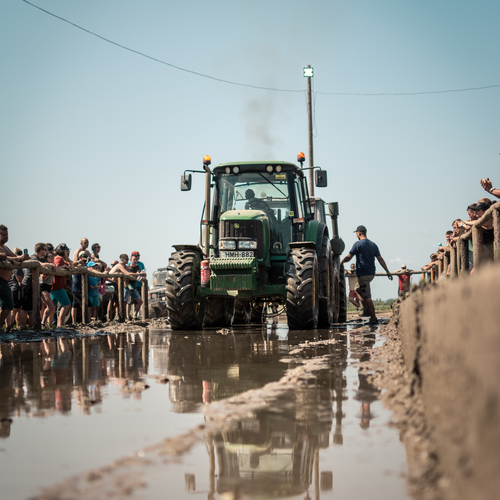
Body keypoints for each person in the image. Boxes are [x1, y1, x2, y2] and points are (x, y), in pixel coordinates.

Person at [340, 225, 392, 325]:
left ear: (359, 233)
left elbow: (349, 257)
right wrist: (388, 271)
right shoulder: (373, 245)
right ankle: (365, 310)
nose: (356, 235)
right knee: (358, 290)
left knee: (367, 296)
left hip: (363, 274)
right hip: (371, 273)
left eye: (356, 233)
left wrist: (341, 262)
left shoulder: (358, 244)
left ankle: (373, 318)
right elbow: (380, 259)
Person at [0, 225, 30, 329]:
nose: (5, 236)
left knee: (9, 305)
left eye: (6, 234)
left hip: (5, 282)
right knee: (4, 305)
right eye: (3, 235)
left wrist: (22, 258)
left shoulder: (5, 247)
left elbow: (15, 257)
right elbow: (3, 257)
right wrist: (13, 259)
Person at [19, 242, 49, 328]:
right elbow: (39, 265)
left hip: (35, 285)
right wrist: (50, 265)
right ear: (41, 250)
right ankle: (23, 326)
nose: (46, 251)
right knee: (25, 308)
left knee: (33, 307)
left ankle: (32, 326)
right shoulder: (33, 257)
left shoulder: (41, 259)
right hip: (27, 285)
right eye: (45, 250)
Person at [51, 244, 73, 327]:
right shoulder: (58, 258)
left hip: (57, 286)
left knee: (52, 307)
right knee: (66, 304)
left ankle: (49, 324)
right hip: (58, 286)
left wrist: (67, 259)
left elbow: (72, 267)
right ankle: (60, 324)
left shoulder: (62, 259)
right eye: (66, 251)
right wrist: (64, 265)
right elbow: (56, 267)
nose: (67, 252)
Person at [127, 252, 144, 319]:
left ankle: (135, 314)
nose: (135, 260)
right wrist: (138, 275)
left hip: (135, 285)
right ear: (131, 259)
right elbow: (127, 275)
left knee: (138, 301)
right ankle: (128, 316)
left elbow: (140, 272)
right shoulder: (127, 266)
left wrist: (139, 274)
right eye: (134, 259)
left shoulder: (138, 266)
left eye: (137, 258)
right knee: (129, 302)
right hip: (128, 285)